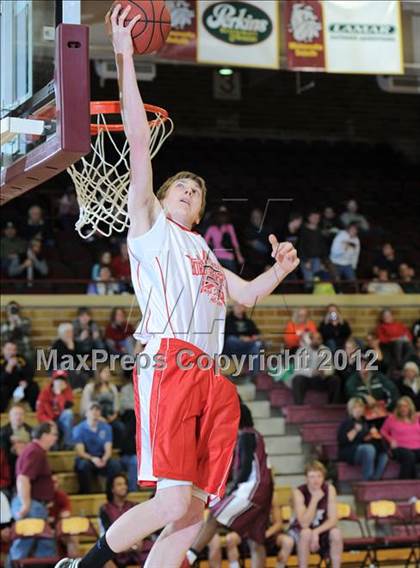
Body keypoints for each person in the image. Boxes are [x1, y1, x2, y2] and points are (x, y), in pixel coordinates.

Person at [54, 7, 299, 568]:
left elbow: (248, 296)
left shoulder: (205, 254)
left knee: (191, 512)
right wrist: (123, 55)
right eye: (180, 186)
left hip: (211, 378)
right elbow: (138, 142)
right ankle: (84, 566)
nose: (189, 191)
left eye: (196, 190)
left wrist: (281, 268)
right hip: (169, 360)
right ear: (161, 198)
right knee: (171, 502)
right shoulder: (151, 228)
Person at [187, 404, 274, 568]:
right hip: (265, 490)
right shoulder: (255, 435)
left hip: (253, 488)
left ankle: (189, 557)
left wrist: (232, 490)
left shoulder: (246, 435)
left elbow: (246, 468)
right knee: (256, 540)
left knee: (214, 514)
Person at [277, 461, 343, 568]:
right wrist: (314, 500)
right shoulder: (299, 492)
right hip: (299, 530)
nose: (316, 480)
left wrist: (316, 532)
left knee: (336, 533)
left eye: (319, 476)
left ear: (323, 477)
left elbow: (333, 520)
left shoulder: (330, 489)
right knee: (306, 533)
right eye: (312, 476)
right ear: (306, 478)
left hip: (320, 529)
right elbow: (304, 523)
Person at [10, 422, 58, 562]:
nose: (56, 438)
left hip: (35, 505)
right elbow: (23, 478)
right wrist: (26, 504)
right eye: (53, 434)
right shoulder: (35, 451)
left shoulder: (34, 450)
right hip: (32, 506)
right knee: (23, 547)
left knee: (45, 546)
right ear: (44, 435)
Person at [73, 402, 122, 494]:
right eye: (92, 409)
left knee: (115, 465)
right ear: (86, 413)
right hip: (87, 458)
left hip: (101, 457)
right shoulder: (79, 428)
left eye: (97, 410)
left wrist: (104, 458)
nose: (95, 412)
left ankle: (111, 492)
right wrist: (92, 459)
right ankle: (86, 493)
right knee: (83, 466)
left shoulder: (106, 428)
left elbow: (108, 448)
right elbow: (80, 452)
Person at [99, 473, 144, 568]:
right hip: (115, 548)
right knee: (104, 559)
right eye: (119, 484)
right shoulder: (105, 509)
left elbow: (140, 529)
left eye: (125, 484)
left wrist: (135, 544)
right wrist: (125, 546)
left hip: (136, 547)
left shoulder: (134, 506)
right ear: (112, 489)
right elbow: (107, 532)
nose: (124, 487)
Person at [337, 398, 388, 481]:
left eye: (360, 407)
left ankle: (375, 479)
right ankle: (367, 479)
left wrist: (372, 435)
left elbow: (365, 438)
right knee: (369, 449)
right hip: (349, 450)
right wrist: (355, 430)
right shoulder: (347, 422)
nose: (358, 409)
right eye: (356, 407)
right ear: (351, 409)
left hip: (364, 448)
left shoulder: (365, 422)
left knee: (384, 455)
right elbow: (343, 440)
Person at [80, 365, 125, 449]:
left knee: (120, 427)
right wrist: (98, 417)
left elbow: (116, 405)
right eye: (105, 372)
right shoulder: (90, 387)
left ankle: (115, 449)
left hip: (109, 416)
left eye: (109, 372)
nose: (108, 374)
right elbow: (86, 406)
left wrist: (113, 416)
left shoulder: (112, 387)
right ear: (99, 373)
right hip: (94, 416)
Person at [291, 332, 341, 405]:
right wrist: (312, 372)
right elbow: (298, 369)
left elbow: (331, 368)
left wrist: (324, 372)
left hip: (321, 378)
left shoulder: (326, 350)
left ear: (321, 341)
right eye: (313, 339)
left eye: (318, 339)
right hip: (307, 379)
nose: (316, 341)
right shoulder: (302, 350)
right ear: (310, 340)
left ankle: (332, 406)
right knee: (297, 379)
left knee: (335, 380)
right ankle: (298, 406)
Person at [345, 357, 399, 421]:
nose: (363, 366)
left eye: (365, 364)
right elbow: (351, 392)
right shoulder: (352, 380)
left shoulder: (378, 377)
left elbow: (392, 389)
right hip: (362, 413)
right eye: (360, 364)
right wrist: (365, 397)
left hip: (380, 410)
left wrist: (388, 408)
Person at [381, 397, 420, 479]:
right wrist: (390, 439)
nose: (403, 408)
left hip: (417, 447)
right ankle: (403, 482)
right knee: (410, 456)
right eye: (400, 406)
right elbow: (383, 431)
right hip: (399, 448)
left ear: (410, 407)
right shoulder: (391, 418)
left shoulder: (416, 418)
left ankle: (414, 481)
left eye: (406, 406)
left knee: (412, 455)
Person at [36, 370, 74, 449]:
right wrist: (49, 421)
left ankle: (68, 444)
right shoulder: (45, 392)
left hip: (61, 420)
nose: (60, 382)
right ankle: (53, 445)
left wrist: (59, 394)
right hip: (48, 419)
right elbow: (40, 412)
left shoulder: (67, 391)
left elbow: (66, 407)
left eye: (62, 380)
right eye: (57, 380)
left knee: (68, 414)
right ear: (53, 381)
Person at [224, 303, 263, 375]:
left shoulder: (248, 322)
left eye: (241, 306)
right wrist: (241, 338)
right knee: (231, 339)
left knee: (257, 345)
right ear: (233, 308)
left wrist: (254, 337)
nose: (239, 307)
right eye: (237, 305)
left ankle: (255, 376)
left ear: (244, 308)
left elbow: (257, 333)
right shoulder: (227, 321)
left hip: (247, 347)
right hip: (232, 349)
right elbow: (226, 335)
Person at [0, 341, 39, 412]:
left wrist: (26, 382)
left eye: (14, 350)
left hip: (20, 387)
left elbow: (30, 374)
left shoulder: (22, 360)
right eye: (9, 349)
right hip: (6, 386)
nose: (12, 352)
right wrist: (8, 369)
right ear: (3, 350)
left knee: (34, 386)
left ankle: (35, 411)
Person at [204, 205, 244, 273]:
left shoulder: (212, 228)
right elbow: (235, 242)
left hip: (217, 258)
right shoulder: (229, 227)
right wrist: (239, 256)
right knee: (232, 279)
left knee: (220, 280)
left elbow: (204, 243)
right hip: (228, 257)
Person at [0, 404, 32, 486]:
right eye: (15, 414)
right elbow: (3, 452)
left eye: (21, 414)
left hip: (28, 462)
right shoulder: (3, 432)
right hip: (10, 463)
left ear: (24, 416)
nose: (18, 417)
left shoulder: (31, 431)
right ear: (10, 417)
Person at [50, 322, 87, 389]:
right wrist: (70, 350)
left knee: (85, 371)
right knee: (69, 365)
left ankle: (79, 388)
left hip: (74, 367)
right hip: (57, 368)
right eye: (67, 332)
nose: (70, 334)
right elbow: (62, 360)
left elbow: (80, 359)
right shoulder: (57, 345)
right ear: (61, 334)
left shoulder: (75, 343)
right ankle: (71, 388)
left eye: (71, 332)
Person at [298, 211, 327, 291]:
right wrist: (305, 260)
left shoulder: (319, 231)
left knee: (317, 280)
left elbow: (322, 247)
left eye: (317, 218)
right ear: (309, 218)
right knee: (309, 280)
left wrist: (323, 261)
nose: (316, 219)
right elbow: (300, 246)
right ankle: (308, 300)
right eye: (314, 217)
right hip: (306, 259)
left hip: (317, 259)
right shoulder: (303, 230)